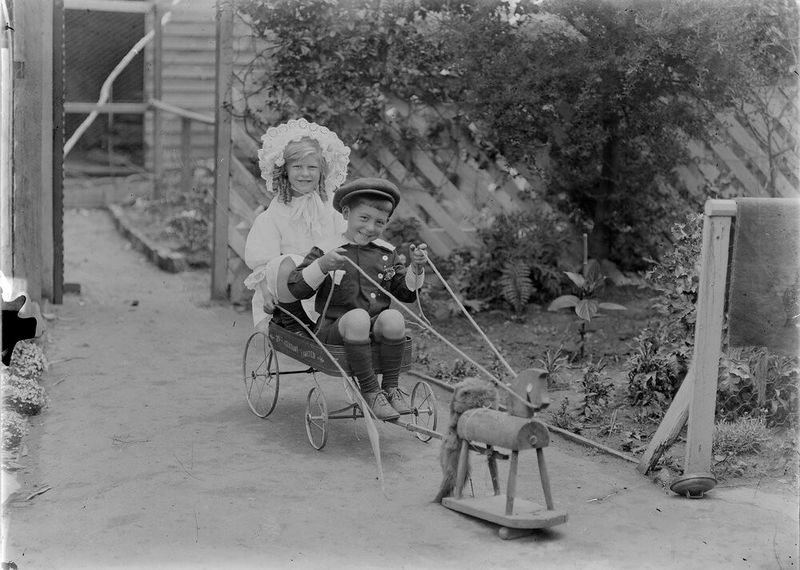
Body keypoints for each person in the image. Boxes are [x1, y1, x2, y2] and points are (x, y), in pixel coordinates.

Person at [286, 177, 429, 420]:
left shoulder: (385, 253)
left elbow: (405, 293)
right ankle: (371, 391)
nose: (371, 227)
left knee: (394, 317)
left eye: (379, 222)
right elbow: (297, 288)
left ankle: (390, 388)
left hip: (371, 329)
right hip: (334, 330)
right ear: (345, 213)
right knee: (358, 317)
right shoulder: (328, 249)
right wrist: (322, 265)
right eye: (364, 218)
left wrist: (416, 269)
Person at [243, 118, 350, 332]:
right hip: (287, 288)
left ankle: (333, 320)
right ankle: (293, 318)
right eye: (297, 167)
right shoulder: (275, 214)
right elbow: (262, 262)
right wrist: (266, 293)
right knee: (287, 261)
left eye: (312, 167)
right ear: (285, 171)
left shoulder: (331, 207)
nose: (305, 173)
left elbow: (345, 239)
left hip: (325, 286)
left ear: (322, 171)